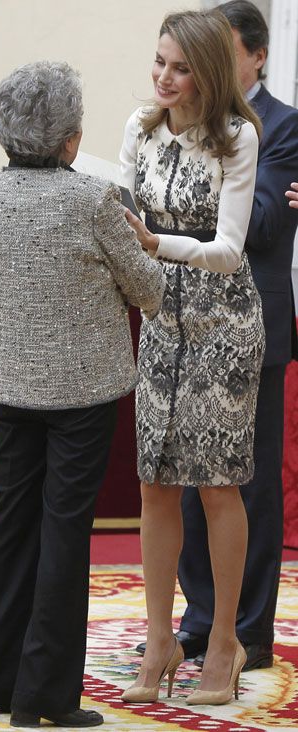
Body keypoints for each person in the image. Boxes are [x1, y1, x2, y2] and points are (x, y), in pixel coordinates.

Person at [0, 61, 164, 728]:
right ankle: (44, 699)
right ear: (72, 139)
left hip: (14, 386)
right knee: (63, 536)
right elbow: (150, 292)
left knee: (8, 531)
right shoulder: (94, 200)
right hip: (84, 395)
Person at [120, 9, 264, 705]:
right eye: (158, 63)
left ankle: (228, 640)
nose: (164, 78)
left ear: (206, 69)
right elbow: (122, 210)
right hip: (158, 319)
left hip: (223, 321)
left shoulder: (238, 138)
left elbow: (230, 250)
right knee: (154, 483)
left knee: (216, 485)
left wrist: (156, 245)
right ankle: (159, 638)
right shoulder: (139, 127)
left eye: (179, 66)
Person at [172, 0, 298, 674]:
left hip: (256, 325)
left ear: (256, 55)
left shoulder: (283, 126)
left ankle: (249, 631)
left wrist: (197, 205)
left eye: (221, 50)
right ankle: (198, 622)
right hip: (189, 319)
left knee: (245, 486)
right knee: (192, 483)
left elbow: (263, 223)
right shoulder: (188, 120)